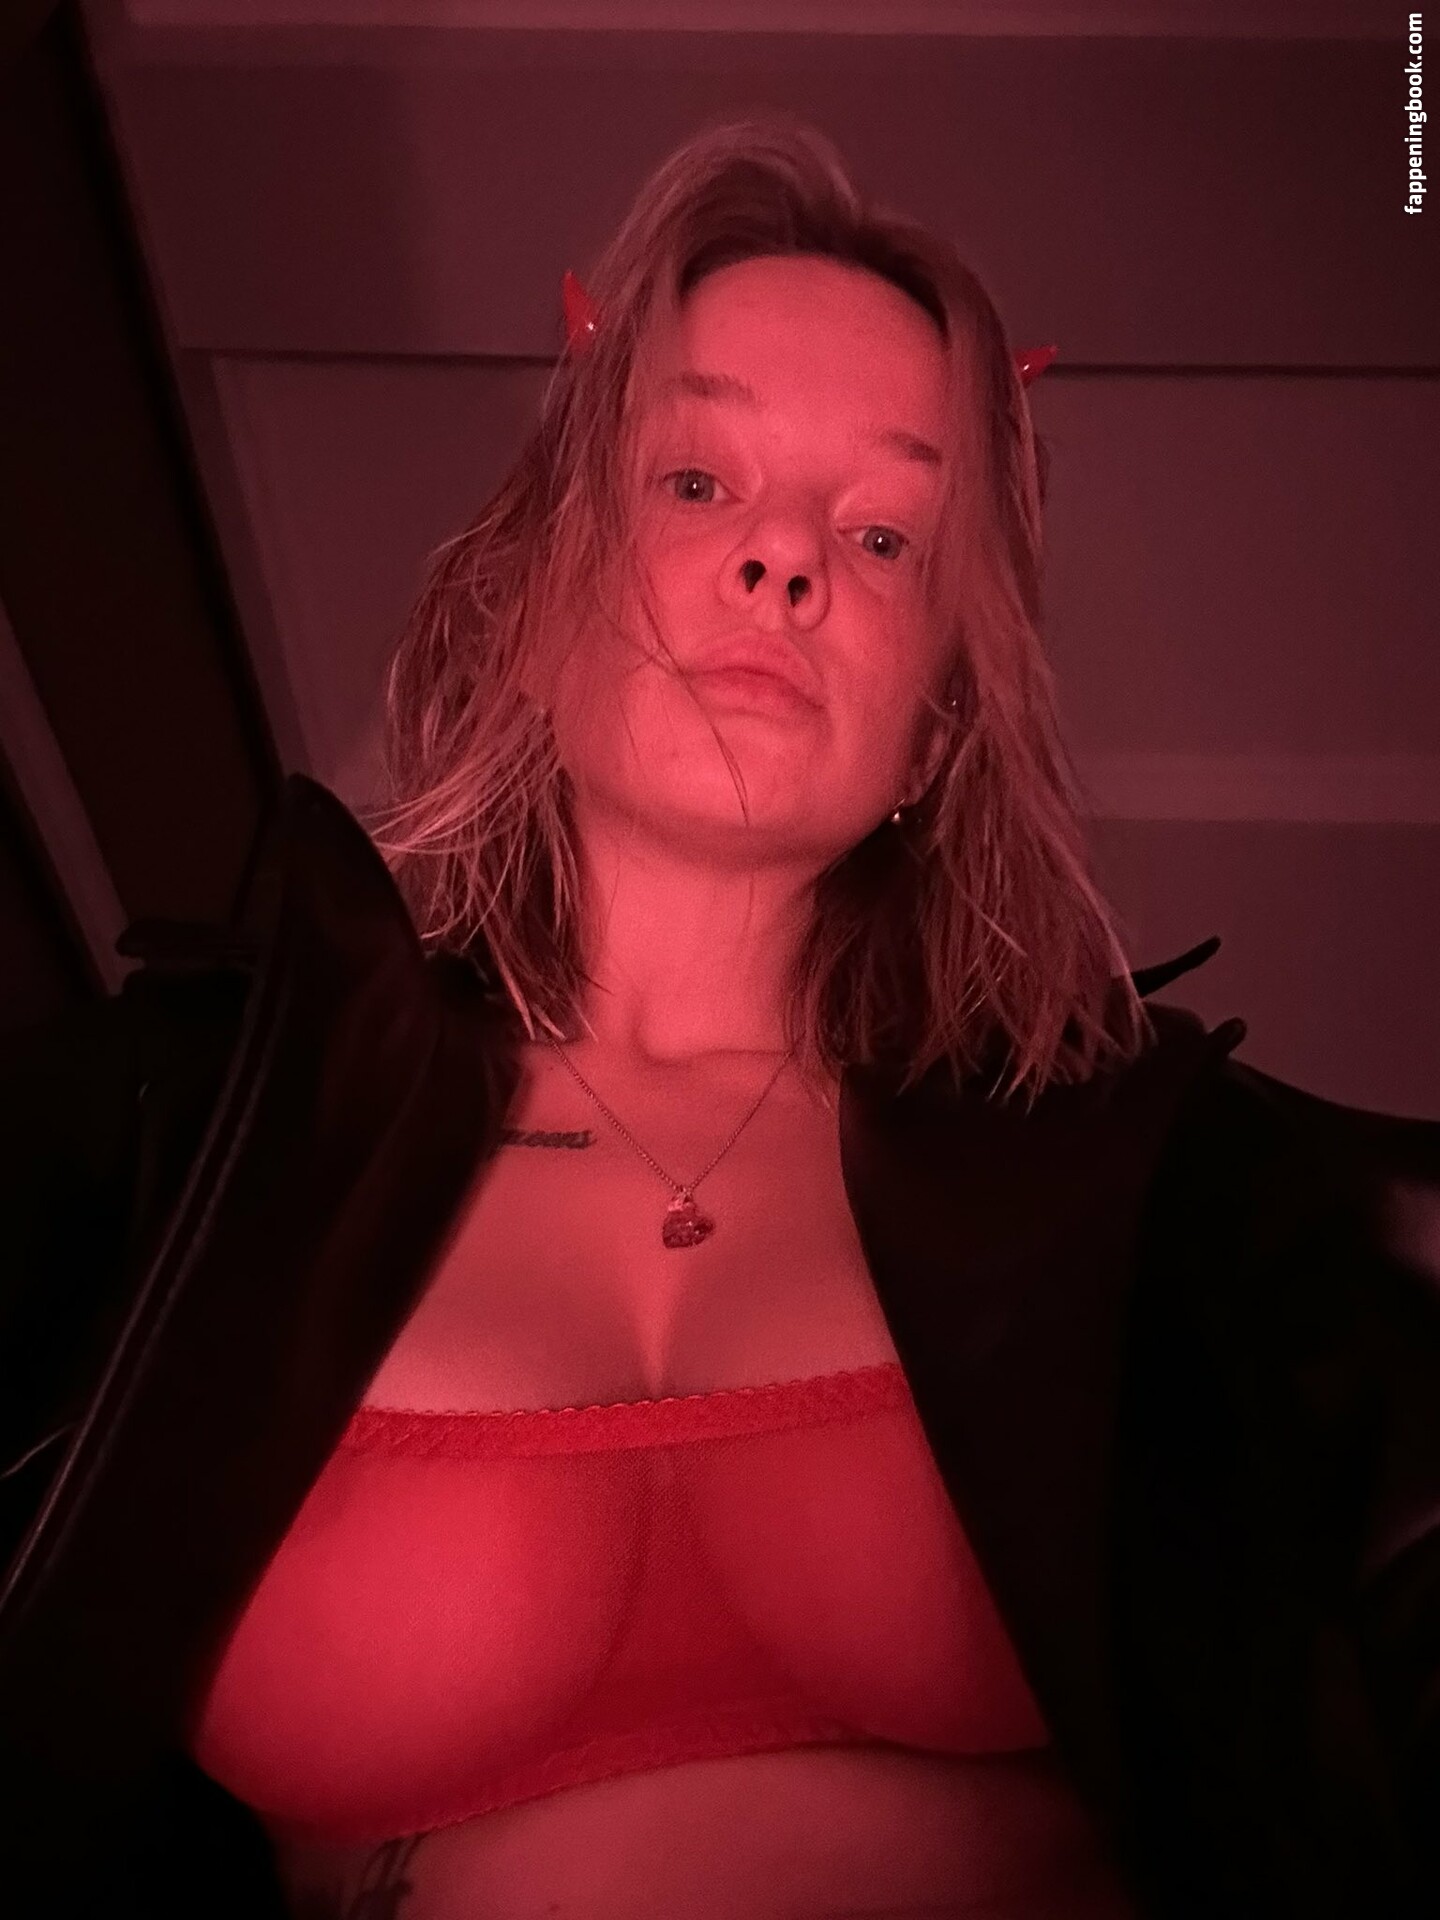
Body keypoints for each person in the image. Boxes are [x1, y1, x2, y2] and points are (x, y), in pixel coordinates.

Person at [0, 116, 1437, 1920]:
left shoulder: (1143, 1170)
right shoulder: (194, 1131)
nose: (785, 562)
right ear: (532, 595)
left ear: (936, 732)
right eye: (697, 483)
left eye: (884, 533)